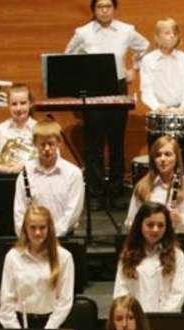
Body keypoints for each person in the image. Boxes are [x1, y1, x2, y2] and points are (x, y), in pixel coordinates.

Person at [65, 0, 148, 207]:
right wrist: (81, 77)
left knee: (116, 141)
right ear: (93, 9)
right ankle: (96, 193)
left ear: (114, 8)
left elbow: (144, 47)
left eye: (108, 6)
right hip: (93, 88)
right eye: (100, 6)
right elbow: (68, 56)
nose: (104, 10)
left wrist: (133, 69)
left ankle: (117, 191)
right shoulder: (83, 32)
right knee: (94, 143)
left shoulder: (126, 30)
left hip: (117, 86)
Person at [0, 204, 77, 329]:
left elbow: (65, 301)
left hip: (52, 324)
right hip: (20, 324)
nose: (37, 232)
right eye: (33, 227)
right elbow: (6, 301)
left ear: (49, 228)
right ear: (25, 229)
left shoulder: (64, 257)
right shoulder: (13, 257)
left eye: (42, 227)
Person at [13, 121, 84, 237]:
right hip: (32, 239)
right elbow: (19, 212)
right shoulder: (25, 173)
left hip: (63, 238)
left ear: (59, 143)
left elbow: (72, 213)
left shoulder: (73, 173)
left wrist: (49, 236)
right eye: (42, 144)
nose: (46, 149)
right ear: (34, 144)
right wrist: (28, 237)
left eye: (51, 144)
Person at [126, 136, 184, 234]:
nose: (162, 159)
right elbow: (129, 222)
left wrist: (181, 218)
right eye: (158, 155)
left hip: (182, 241)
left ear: (176, 158)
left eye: (168, 154)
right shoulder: (142, 187)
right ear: (153, 160)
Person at [113, 202, 184, 312]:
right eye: (150, 225)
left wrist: (160, 319)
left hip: (166, 320)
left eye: (161, 225)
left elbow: (177, 294)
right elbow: (121, 292)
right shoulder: (128, 254)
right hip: (135, 321)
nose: (155, 230)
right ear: (140, 225)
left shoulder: (177, 255)